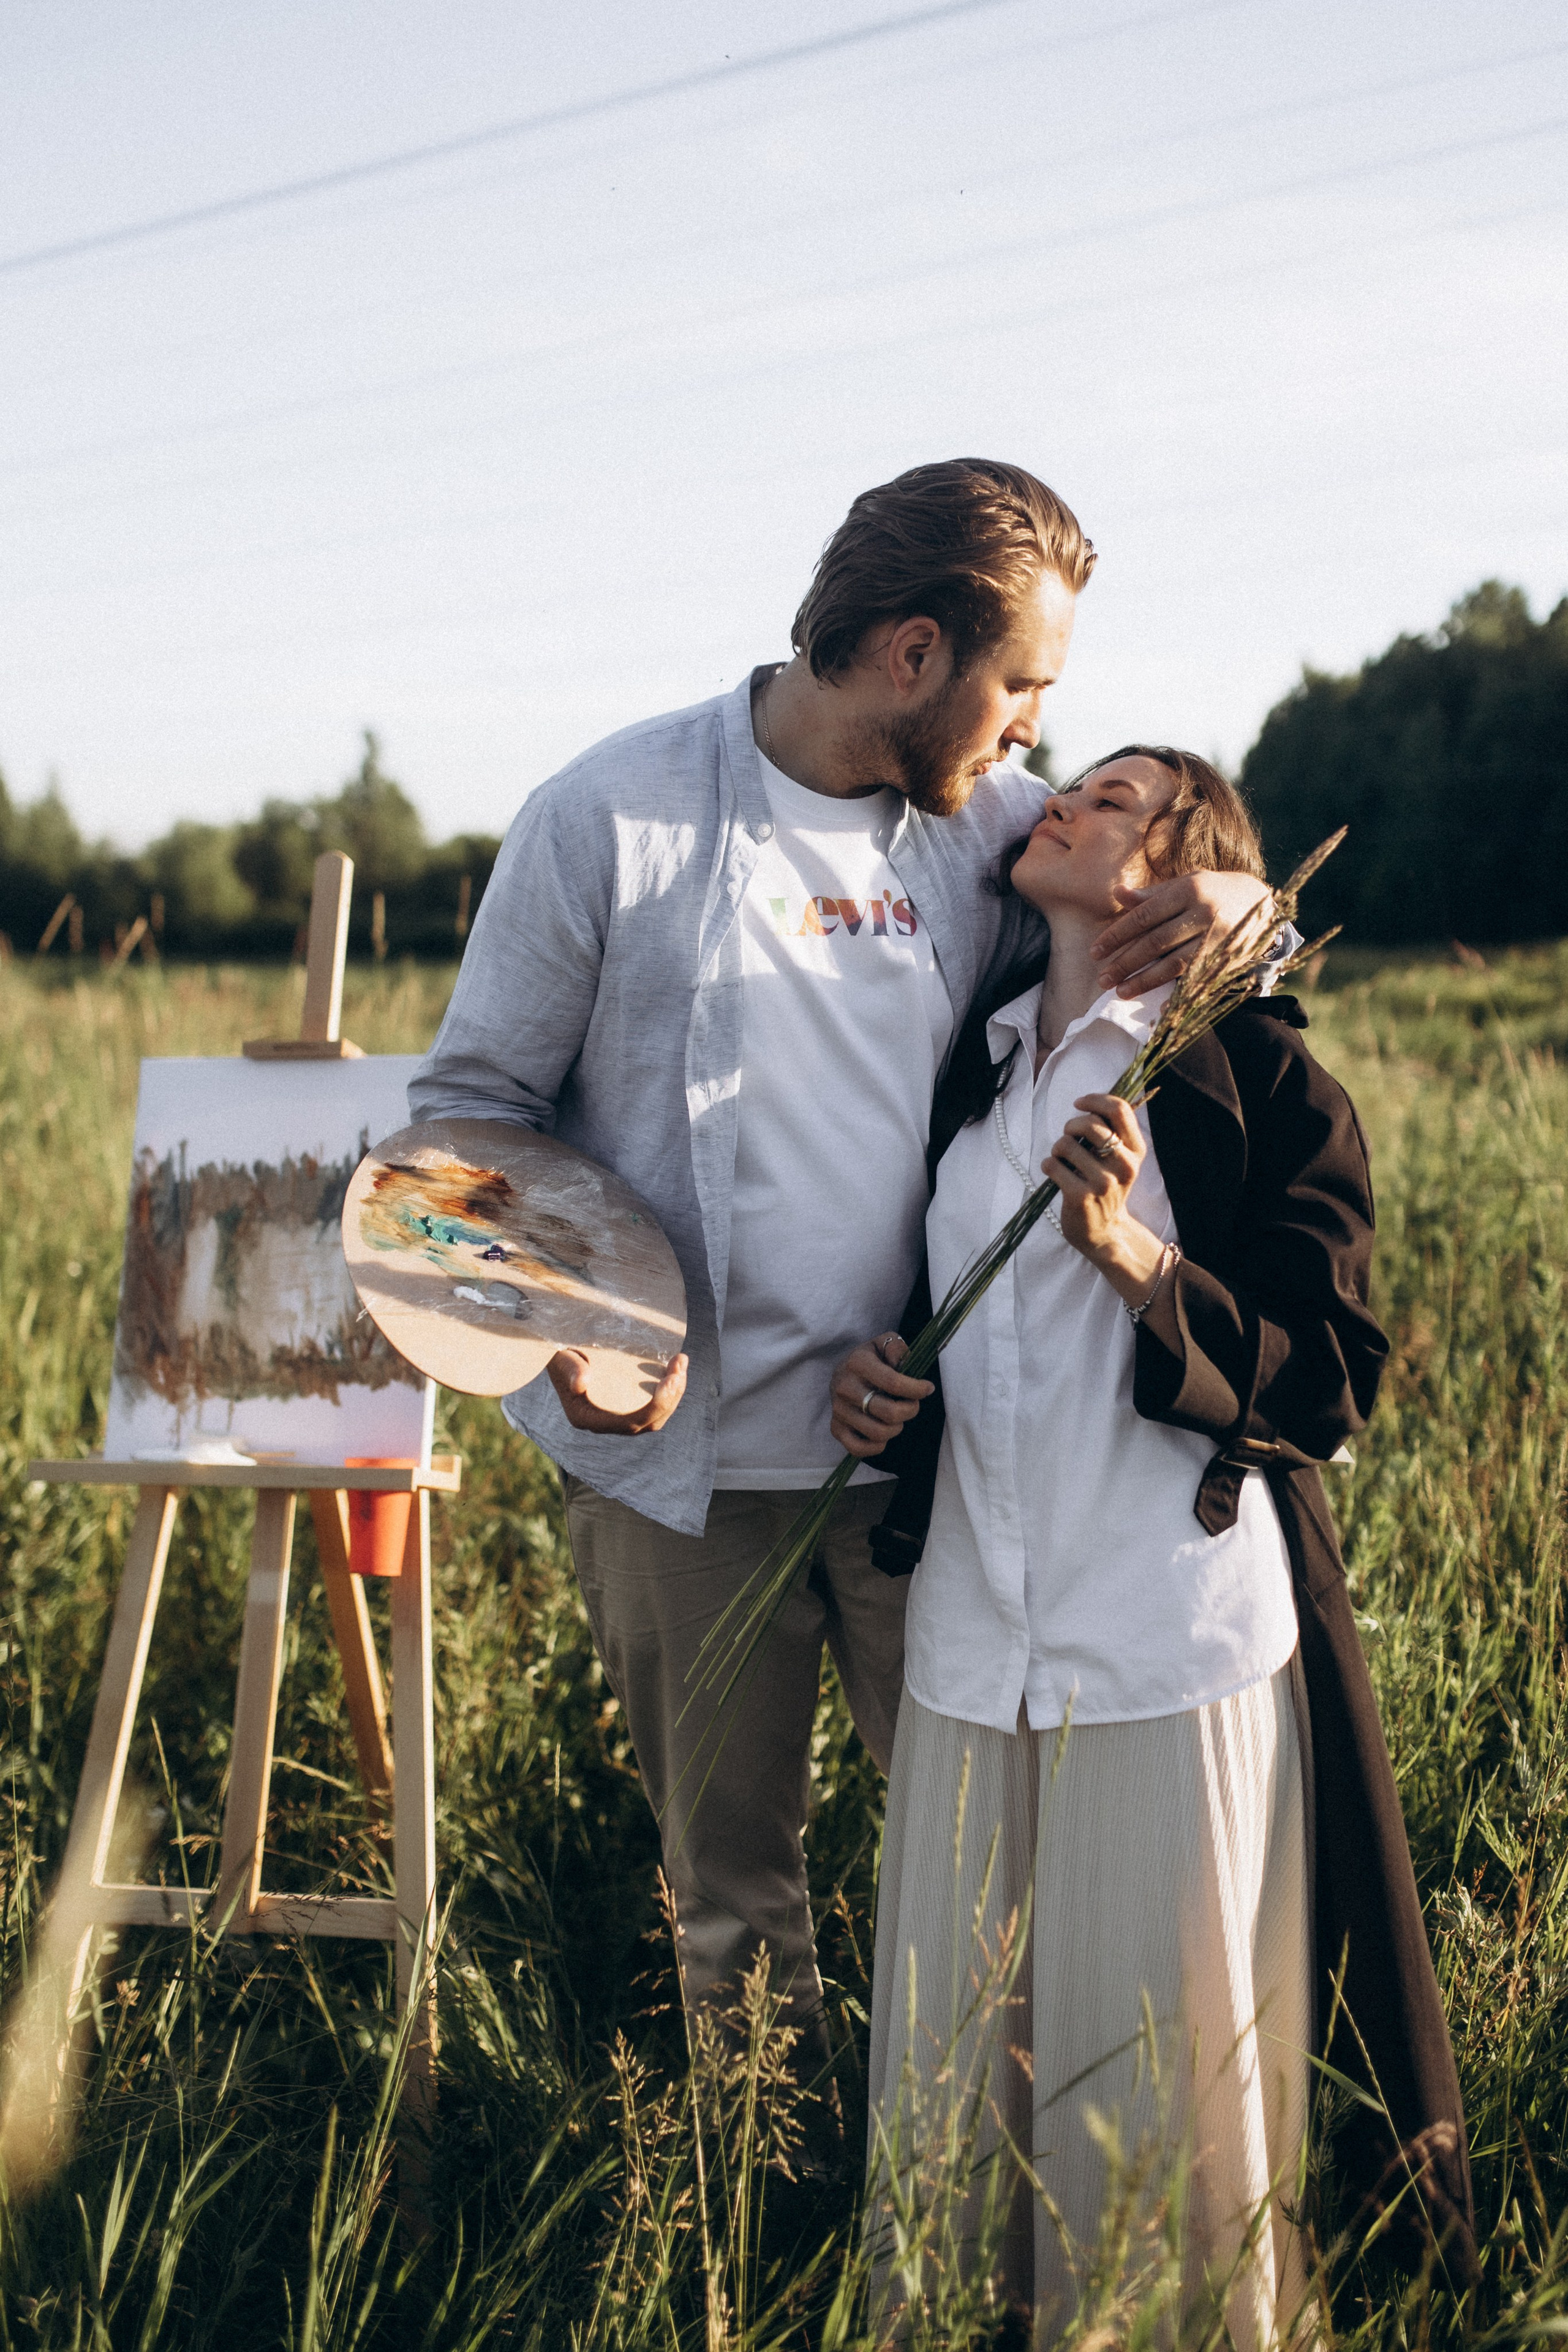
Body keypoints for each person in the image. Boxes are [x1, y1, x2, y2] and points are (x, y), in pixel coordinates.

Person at [407, 464, 1270, 2075]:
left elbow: (1188, 902)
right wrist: (568, 1335)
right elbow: (464, 1125)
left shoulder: (993, 833)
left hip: (923, 1466)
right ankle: (766, 2224)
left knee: (982, 1857)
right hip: (676, 1481)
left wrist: (1246, 906)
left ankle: (974, 2204)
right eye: (1023, 687)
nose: (1036, 732)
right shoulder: (608, 817)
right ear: (913, 653)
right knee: (732, 1893)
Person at [834, 748, 1475, 2334]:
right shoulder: (971, 1075)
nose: (1063, 799)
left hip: (1167, 1637)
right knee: (957, 2070)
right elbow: (975, 1359)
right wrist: (885, 1396)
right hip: (977, 1645)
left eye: (1114, 799)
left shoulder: (1258, 1077)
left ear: (1184, 866)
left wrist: (1131, 1259)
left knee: (1154, 2069)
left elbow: (1324, 1383)